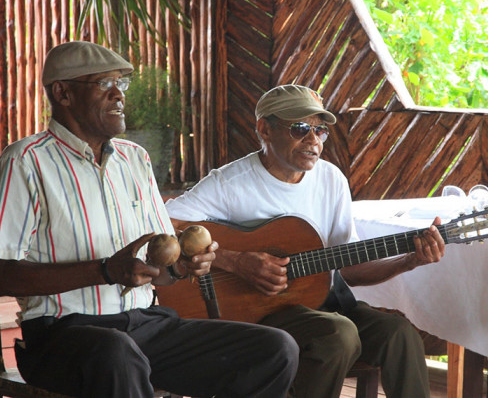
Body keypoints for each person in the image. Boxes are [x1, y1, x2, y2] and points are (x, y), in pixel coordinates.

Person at [0, 41, 299, 398]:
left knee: (275, 349)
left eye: (121, 84)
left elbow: (156, 269)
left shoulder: (135, 160)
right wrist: (104, 271)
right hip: (63, 336)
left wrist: (181, 268)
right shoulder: (27, 161)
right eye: (104, 84)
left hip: (147, 327)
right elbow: (1, 275)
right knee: (116, 353)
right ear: (63, 93)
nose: (118, 95)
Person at [165, 84, 446, 398]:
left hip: (321, 303)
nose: (313, 140)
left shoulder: (331, 180)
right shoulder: (230, 183)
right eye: (300, 129)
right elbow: (163, 225)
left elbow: (348, 269)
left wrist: (408, 260)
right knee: (338, 335)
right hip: (255, 314)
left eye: (320, 130)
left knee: (399, 334)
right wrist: (235, 260)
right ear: (264, 129)